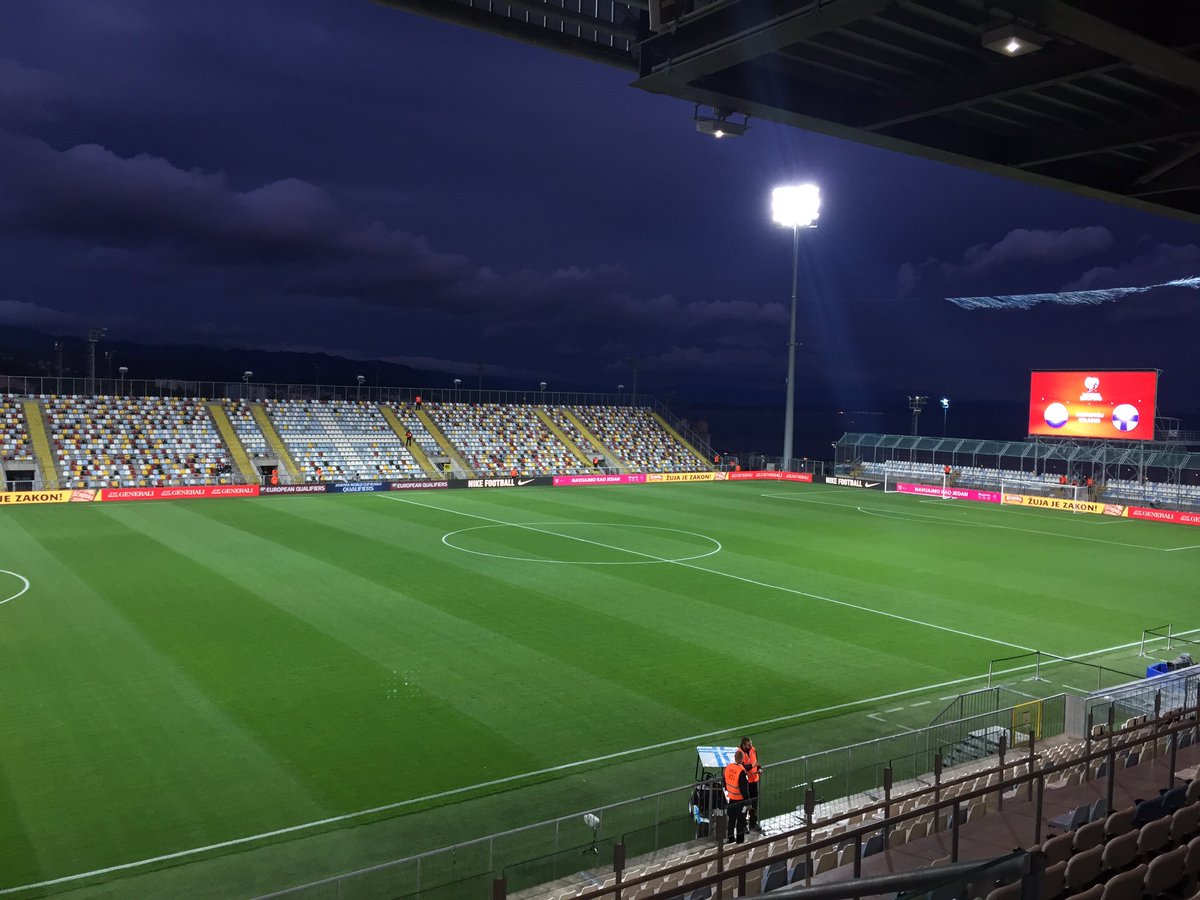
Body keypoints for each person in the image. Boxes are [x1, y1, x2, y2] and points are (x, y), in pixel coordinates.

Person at [724, 749, 750, 844]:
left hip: (731, 799)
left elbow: (725, 782)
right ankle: (740, 840)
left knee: (731, 820)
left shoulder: (728, 767)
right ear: (742, 759)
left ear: (734, 758)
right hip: (740, 801)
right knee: (741, 821)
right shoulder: (742, 771)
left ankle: (730, 839)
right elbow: (744, 789)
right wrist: (748, 801)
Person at [740, 736, 763, 832]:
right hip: (746, 782)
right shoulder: (739, 753)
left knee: (754, 803)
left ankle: (753, 823)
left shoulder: (753, 750)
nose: (751, 746)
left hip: (754, 780)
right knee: (745, 804)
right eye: (749, 744)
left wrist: (759, 768)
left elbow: (756, 761)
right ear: (744, 745)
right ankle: (743, 825)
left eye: (751, 744)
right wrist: (752, 766)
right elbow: (743, 767)